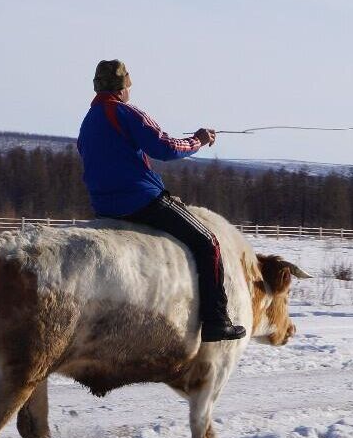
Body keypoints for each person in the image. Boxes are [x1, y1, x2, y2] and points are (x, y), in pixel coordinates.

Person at [76, 60, 246, 342]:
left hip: (104, 207)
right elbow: (164, 147)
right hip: (141, 202)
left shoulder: (88, 121)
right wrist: (199, 140)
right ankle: (216, 321)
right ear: (122, 87)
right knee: (208, 243)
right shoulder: (125, 112)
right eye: (128, 85)